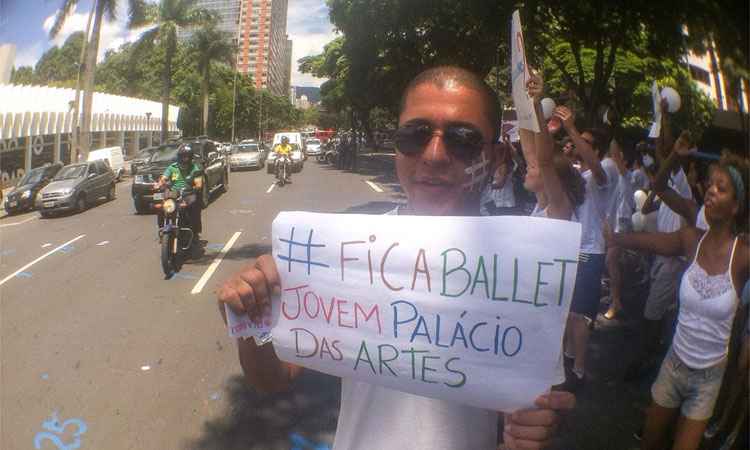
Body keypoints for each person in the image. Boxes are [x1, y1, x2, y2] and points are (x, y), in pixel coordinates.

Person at [217, 66, 575, 450]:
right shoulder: (344, 254)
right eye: (415, 135)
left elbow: (538, 406)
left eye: (463, 140)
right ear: (396, 146)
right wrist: (252, 322)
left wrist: (536, 428)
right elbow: (274, 378)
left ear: (496, 153)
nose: (434, 155)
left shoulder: (525, 268)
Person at [606, 158, 749, 450]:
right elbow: (651, 241)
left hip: (709, 379)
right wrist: (615, 238)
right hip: (674, 365)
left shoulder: (743, 255)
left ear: (736, 207)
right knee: (649, 442)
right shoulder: (689, 239)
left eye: (721, 189)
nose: (710, 191)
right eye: (710, 185)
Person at [552, 106, 618, 391]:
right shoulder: (581, 172)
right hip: (571, 246)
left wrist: (571, 129)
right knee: (567, 310)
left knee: (580, 315)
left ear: (598, 149)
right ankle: (567, 360)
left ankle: (579, 371)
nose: (578, 143)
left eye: (586, 141)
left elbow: (597, 170)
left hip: (590, 251)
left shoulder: (608, 170)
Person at [155, 144, 203, 245]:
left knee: (193, 207)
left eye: (187, 156)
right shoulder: (172, 167)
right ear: (179, 156)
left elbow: (198, 182)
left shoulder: (194, 168)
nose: (185, 159)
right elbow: (164, 178)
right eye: (183, 156)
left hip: (188, 193)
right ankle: (162, 230)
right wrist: (159, 184)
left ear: (190, 157)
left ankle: (194, 232)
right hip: (173, 193)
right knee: (161, 207)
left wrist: (196, 187)